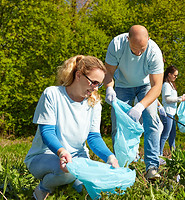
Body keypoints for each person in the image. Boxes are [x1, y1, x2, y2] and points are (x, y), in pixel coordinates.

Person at [24, 55, 119, 200]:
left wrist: (109, 157)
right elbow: (47, 131)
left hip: (78, 158)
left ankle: (65, 185)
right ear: (79, 75)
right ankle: (43, 190)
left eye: (98, 84)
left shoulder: (94, 103)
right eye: (93, 82)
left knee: (91, 188)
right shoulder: (52, 94)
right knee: (69, 171)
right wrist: (62, 152)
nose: (95, 88)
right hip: (46, 156)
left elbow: (93, 137)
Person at [103, 25, 164, 180]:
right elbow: (108, 71)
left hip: (146, 86)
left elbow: (157, 86)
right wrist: (109, 88)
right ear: (127, 39)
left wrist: (140, 106)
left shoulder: (154, 52)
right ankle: (120, 166)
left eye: (142, 48)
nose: (138, 52)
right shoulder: (117, 44)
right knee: (118, 123)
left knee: (152, 119)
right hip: (122, 85)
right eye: (134, 48)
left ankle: (151, 167)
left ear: (148, 40)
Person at [159, 65, 185, 159]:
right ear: (169, 74)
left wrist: (182, 97)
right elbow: (167, 99)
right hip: (167, 113)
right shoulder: (166, 85)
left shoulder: (171, 85)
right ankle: (159, 154)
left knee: (172, 135)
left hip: (172, 112)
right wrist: (179, 99)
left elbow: (173, 98)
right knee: (165, 134)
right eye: (175, 75)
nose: (176, 77)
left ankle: (175, 155)